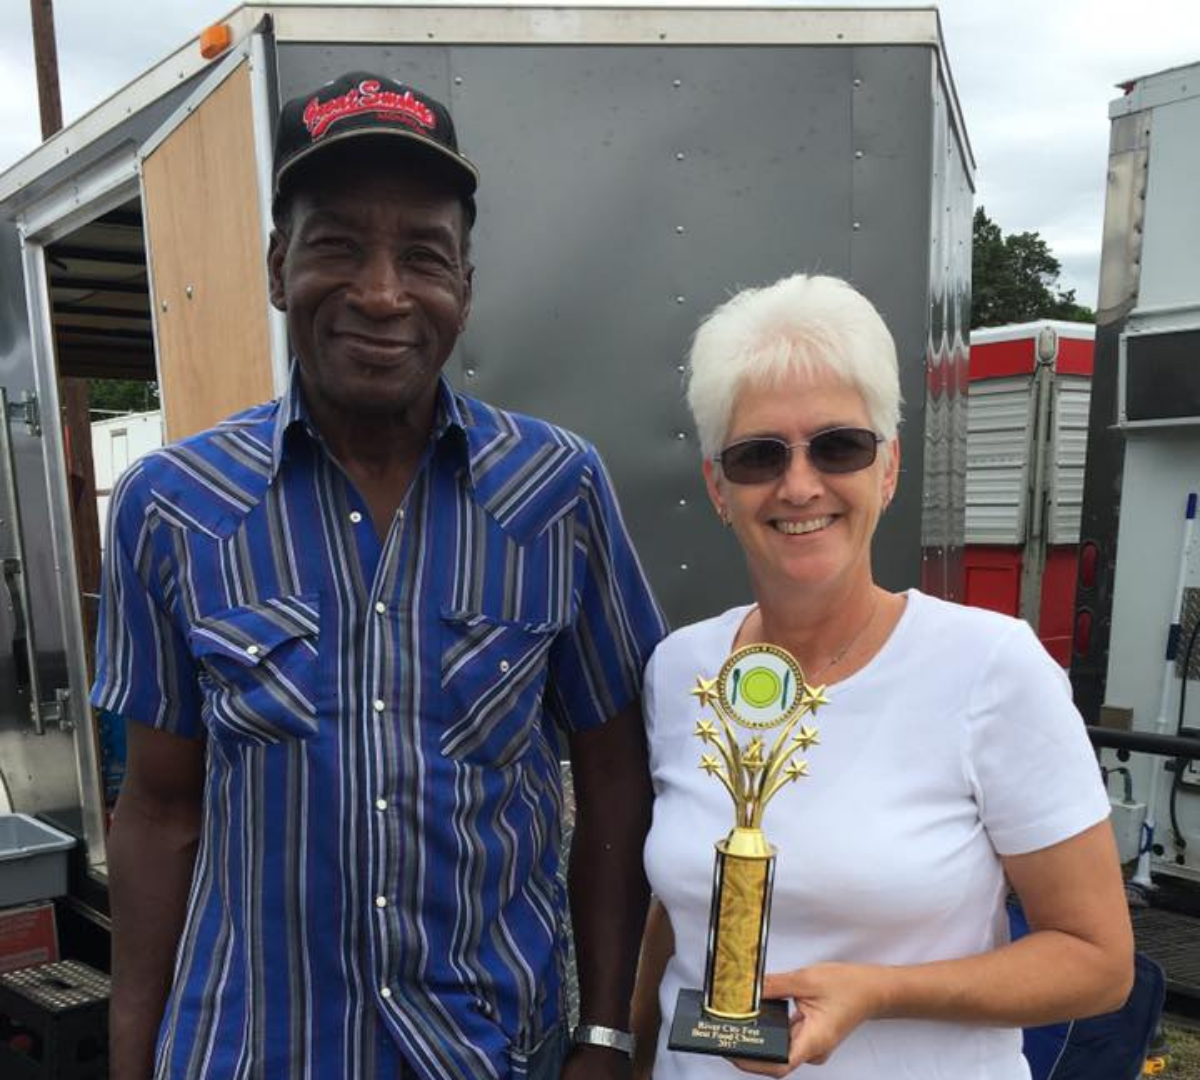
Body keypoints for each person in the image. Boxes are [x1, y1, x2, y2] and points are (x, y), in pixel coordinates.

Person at [94, 72, 665, 1080]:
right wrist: (130, 1056)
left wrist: (607, 1033)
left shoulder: (557, 492)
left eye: (423, 256)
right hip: (253, 1053)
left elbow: (618, 779)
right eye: (336, 244)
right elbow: (158, 807)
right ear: (278, 266)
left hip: (494, 1054)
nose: (382, 291)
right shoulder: (172, 507)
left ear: (465, 287)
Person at [631, 273, 1133, 1079]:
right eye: (759, 455)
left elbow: (1099, 962)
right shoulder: (680, 668)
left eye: (839, 446)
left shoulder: (990, 668)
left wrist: (878, 991)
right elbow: (676, 905)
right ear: (718, 489)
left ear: (889, 468)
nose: (799, 485)